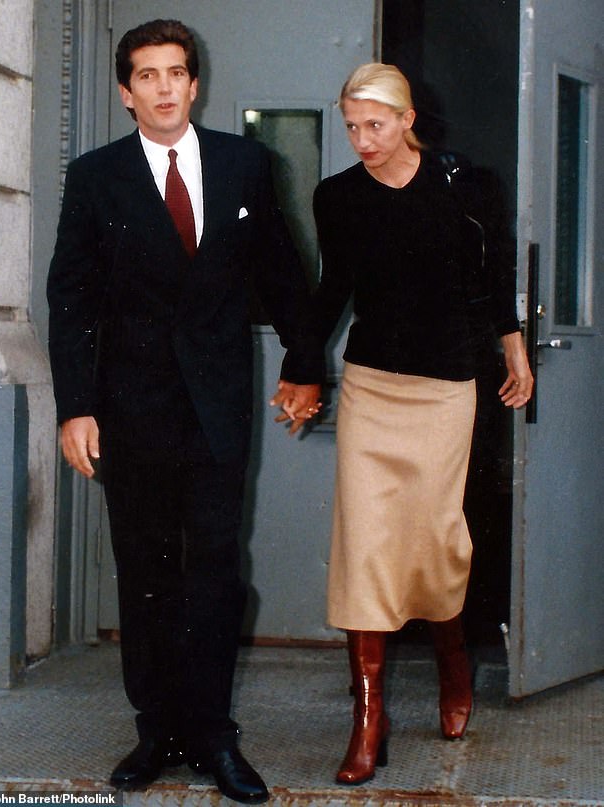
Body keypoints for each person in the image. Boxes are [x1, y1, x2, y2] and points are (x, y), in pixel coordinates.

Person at [46, 19, 321, 803]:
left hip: (216, 406)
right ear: (126, 92)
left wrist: (306, 364)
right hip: (129, 409)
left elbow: (283, 271)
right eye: (148, 75)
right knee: (146, 570)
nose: (164, 87)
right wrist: (76, 406)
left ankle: (212, 734)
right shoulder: (95, 177)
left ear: (195, 84)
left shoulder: (244, 164)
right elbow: (71, 298)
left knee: (214, 570)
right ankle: (156, 729)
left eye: (176, 72)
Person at [310, 63, 534, 786]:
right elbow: (334, 288)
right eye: (352, 127)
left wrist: (513, 347)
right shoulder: (338, 196)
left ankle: (452, 660)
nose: (362, 140)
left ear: (408, 120)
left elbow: (492, 273)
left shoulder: (464, 185)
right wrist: (301, 364)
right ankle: (368, 716)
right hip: (373, 387)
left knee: (435, 539)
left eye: (375, 125)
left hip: (445, 388)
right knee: (365, 544)